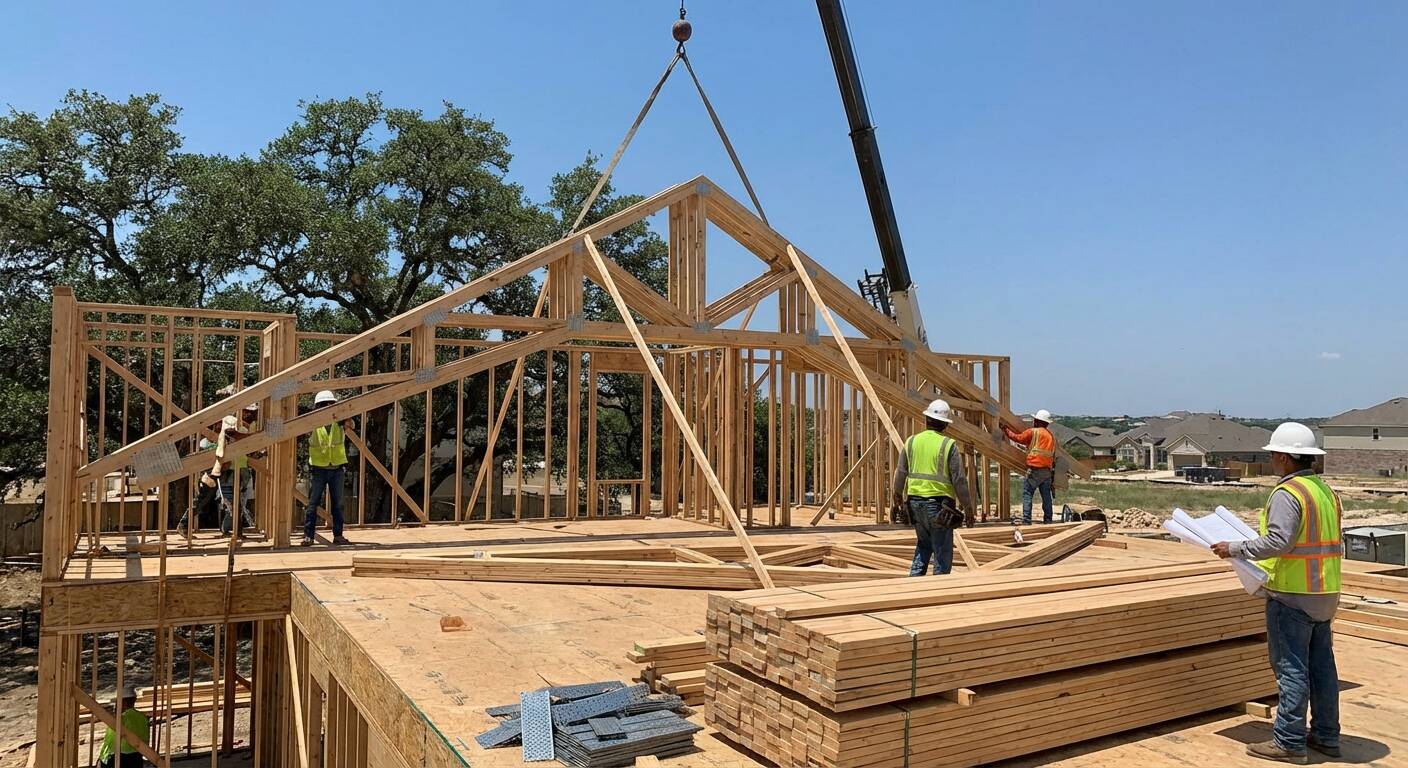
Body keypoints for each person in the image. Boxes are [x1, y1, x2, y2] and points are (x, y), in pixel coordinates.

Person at [1212, 422, 1341, 765]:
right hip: (1325, 591)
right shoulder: (1324, 491)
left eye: (1273, 455)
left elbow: (1279, 541)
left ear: (1284, 457)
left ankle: (1289, 742)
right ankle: (1326, 736)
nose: (1271, 460)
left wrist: (1234, 548)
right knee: (1322, 670)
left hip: (1293, 594)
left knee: (1291, 670)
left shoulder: (1288, 493)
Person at [892, 398, 971, 576]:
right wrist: (968, 507)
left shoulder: (911, 441)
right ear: (945, 424)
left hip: (914, 504)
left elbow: (900, 473)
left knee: (923, 546)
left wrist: (897, 500)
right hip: (939, 506)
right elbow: (959, 480)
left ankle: (915, 584)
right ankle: (938, 589)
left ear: (926, 419)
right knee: (942, 553)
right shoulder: (948, 445)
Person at [302, 390, 353, 547]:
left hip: (336, 469)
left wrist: (344, 415)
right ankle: (308, 536)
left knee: (338, 504)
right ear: (319, 407)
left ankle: (338, 535)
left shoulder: (339, 423)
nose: (329, 407)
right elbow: (304, 429)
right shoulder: (313, 424)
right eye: (326, 404)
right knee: (313, 504)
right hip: (318, 469)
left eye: (331, 404)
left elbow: (350, 425)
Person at [1001, 409, 1057, 525]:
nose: (1033, 421)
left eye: (1034, 420)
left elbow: (1018, 438)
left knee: (1027, 494)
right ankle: (1048, 520)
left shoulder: (1033, 432)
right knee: (1046, 496)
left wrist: (1005, 429)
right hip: (1047, 471)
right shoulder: (1051, 437)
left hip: (1035, 470)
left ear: (1037, 421)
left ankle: (1027, 520)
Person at [97, 685, 148, 767]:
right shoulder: (143, 718)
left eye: (117, 702)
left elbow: (109, 743)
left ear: (124, 703)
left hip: (119, 759)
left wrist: (101, 760)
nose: (115, 705)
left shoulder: (120, 719)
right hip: (136, 759)